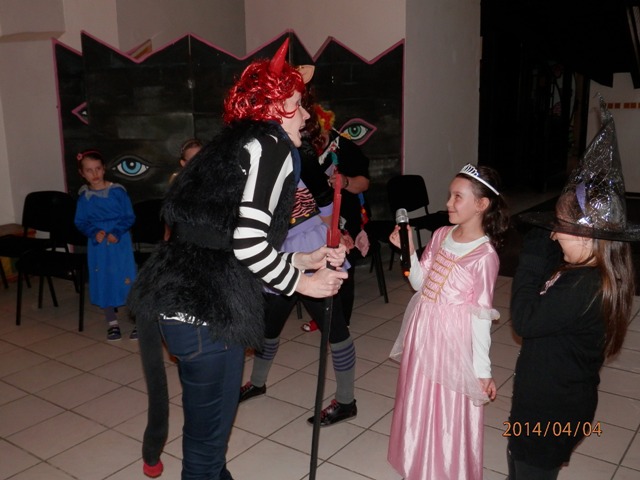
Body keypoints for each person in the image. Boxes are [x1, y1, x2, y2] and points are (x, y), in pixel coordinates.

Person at [127, 39, 348, 480]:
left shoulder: (234, 143)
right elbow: (248, 244)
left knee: (206, 434)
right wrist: (302, 283)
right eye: (298, 104)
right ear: (277, 107)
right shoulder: (272, 146)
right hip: (207, 312)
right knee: (206, 451)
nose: (306, 116)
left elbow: (220, 236)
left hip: (178, 301)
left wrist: (301, 259)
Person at [507, 98, 637, 479]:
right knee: (523, 465)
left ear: (587, 237)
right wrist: (546, 241)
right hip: (553, 401)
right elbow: (555, 260)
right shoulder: (590, 269)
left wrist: (531, 256)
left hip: (550, 414)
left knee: (529, 470)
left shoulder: (585, 287)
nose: (553, 235)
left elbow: (525, 319)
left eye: (559, 228)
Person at [239, 90, 358, 427]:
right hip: (277, 254)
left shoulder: (299, 155)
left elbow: (326, 201)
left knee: (335, 330)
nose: (305, 116)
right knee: (269, 327)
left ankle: (346, 401)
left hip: (313, 244)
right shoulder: (254, 157)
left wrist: (338, 234)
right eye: (297, 108)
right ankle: (257, 383)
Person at [387, 164, 510, 479]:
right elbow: (420, 283)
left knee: (447, 402)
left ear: (481, 204)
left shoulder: (485, 256)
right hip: (423, 328)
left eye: (458, 197)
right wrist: (409, 250)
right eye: (450, 195)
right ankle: (418, 459)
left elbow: (481, 318)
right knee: (419, 394)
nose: (448, 203)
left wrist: (482, 371)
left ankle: (445, 466)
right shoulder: (441, 234)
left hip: (452, 339)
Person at [301, 103, 371, 331]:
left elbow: (364, 183)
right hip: (314, 220)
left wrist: (345, 181)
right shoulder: (302, 148)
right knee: (317, 268)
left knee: (341, 269)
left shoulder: (344, 147)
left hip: (344, 217)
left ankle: (340, 323)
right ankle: (323, 317)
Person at [74, 150, 137, 341]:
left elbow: (129, 216)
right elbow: (80, 221)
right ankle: (112, 322)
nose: (94, 174)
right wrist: (94, 232)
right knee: (104, 279)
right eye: (89, 170)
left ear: (104, 169)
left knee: (126, 278)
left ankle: (137, 320)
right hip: (99, 246)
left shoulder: (118, 192)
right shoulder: (84, 197)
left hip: (119, 243)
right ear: (82, 173)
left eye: (98, 169)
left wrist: (116, 232)